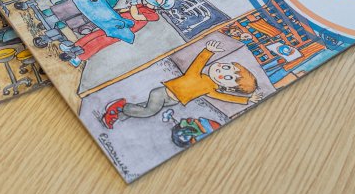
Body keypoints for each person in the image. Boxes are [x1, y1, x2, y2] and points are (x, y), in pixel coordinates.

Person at [101, 40, 261, 128]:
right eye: (226, 68)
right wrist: (208, 51)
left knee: (144, 107)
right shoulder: (197, 75)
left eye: (227, 77)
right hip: (162, 94)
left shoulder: (211, 89)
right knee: (149, 111)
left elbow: (225, 97)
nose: (221, 71)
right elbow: (198, 63)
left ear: (228, 87)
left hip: (171, 100)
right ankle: (121, 107)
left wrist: (246, 100)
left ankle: (118, 114)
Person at [64, 0, 175, 66]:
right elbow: (125, 10)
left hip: (122, 30)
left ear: (161, 5)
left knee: (99, 42)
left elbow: (136, 16)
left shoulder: (154, 15)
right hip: (114, 23)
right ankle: (73, 47)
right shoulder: (141, 5)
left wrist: (133, 5)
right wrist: (114, 11)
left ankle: (79, 58)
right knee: (94, 34)